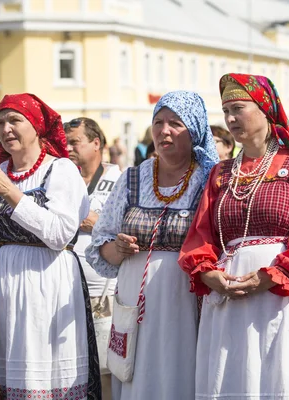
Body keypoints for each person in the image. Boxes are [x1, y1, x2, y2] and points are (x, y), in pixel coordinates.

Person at [179, 73, 289, 399]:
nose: (231, 119)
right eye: (225, 112)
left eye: (238, 108)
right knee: (232, 371)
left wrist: (272, 275)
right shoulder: (221, 173)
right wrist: (209, 274)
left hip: (281, 291)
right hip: (227, 291)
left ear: (265, 109)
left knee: (276, 371)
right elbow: (201, 235)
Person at [0, 93, 101, 399]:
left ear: (36, 126)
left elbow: (59, 234)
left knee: (38, 371)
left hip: (43, 286)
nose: (6, 129)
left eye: (14, 120)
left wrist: (9, 193)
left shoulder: (60, 170)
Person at [86, 91, 219, 400]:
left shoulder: (210, 180)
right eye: (158, 122)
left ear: (195, 130)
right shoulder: (133, 178)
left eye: (175, 123)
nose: (164, 130)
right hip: (134, 297)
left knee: (180, 371)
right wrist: (117, 249)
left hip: (185, 300)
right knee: (136, 371)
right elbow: (99, 245)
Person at [65, 116, 122, 399]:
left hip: (106, 288)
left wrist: (93, 222)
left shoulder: (120, 178)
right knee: (72, 362)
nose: (69, 148)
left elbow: (128, 228)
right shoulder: (64, 180)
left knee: (106, 365)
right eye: (65, 143)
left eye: (74, 142)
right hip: (67, 285)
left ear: (96, 143)